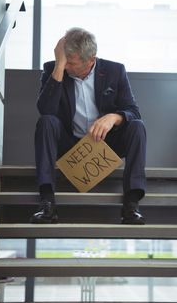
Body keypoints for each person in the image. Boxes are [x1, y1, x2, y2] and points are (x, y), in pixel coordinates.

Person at [30, 27, 147, 225]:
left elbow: (133, 110)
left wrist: (113, 117)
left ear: (91, 60)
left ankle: (131, 204)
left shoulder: (115, 71)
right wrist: (59, 67)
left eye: (71, 63)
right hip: (69, 144)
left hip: (104, 144)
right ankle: (47, 202)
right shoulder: (55, 69)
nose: (67, 67)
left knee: (137, 126)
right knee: (46, 122)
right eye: (64, 61)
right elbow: (46, 110)